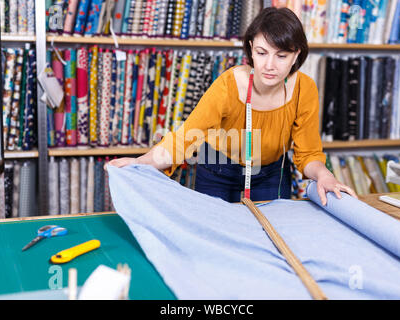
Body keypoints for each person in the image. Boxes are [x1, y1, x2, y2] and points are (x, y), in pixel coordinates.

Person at [107, 7, 357, 205]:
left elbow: (308, 154)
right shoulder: (228, 85)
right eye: (261, 52)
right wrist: (141, 162)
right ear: (250, 48)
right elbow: (184, 139)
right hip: (217, 167)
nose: (269, 65)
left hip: (271, 172)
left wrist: (324, 175)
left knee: (271, 239)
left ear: (296, 55)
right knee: (212, 234)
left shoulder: (305, 88)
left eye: (281, 56)